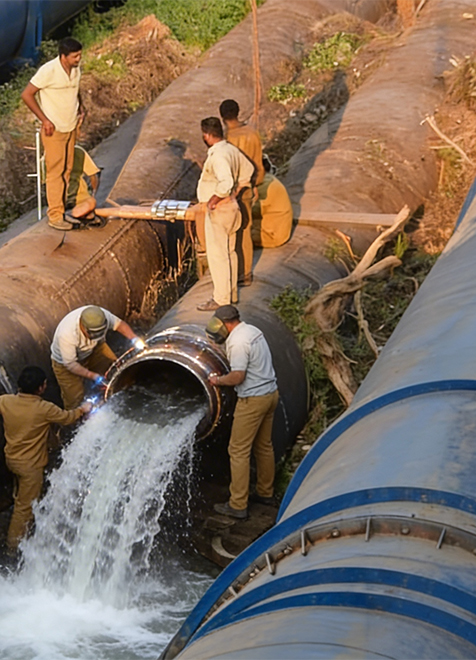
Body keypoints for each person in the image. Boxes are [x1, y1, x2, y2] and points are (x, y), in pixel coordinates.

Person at [0, 365, 89, 550]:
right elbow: (68, 418)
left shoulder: (6, 401)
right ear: (41, 388)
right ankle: (13, 547)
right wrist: (84, 409)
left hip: (12, 460)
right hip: (31, 467)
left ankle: (13, 527)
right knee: (24, 508)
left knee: (20, 495)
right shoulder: (44, 408)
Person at [205, 305, 278, 520]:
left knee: (238, 450)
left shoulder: (237, 342)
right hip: (271, 394)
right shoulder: (253, 331)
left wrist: (217, 380)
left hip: (252, 400)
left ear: (225, 323)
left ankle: (237, 505)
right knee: (264, 446)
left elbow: (238, 377)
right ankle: (266, 493)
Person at [21, 38, 87, 231]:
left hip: (71, 126)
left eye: (79, 55)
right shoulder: (48, 71)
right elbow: (27, 94)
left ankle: (62, 211)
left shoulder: (75, 70)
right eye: (75, 56)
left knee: (67, 170)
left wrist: (81, 107)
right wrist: (45, 120)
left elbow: (76, 90)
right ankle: (55, 216)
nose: (78, 59)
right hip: (54, 130)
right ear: (63, 56)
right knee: (55, 173)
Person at [196, 117, 255, 312]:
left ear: (206, 135)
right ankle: (231, 294)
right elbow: (249, 170)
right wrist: (236, 193)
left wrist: (214, 200)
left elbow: (226, 182)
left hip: (220, 210)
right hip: (232, 207)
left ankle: (221, 299)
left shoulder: (219, 156)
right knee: (230, 252)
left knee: (218, 256)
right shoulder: (230, 149)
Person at [50, 305, 139, 409]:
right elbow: (70, 364)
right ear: (84, 328)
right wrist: (93, 376)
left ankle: (115, 398)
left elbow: (119, 325)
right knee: (75, 401)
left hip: (94, 349)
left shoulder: (101, 316)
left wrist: (134, 339)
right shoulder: (66, 335)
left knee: (116, 371)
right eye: (94, 334)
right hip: (66, 364)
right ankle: (78, 423)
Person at [220, 100, 262, 285]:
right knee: (245, 230)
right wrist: (254, 185)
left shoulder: (226, 139)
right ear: (238, 112)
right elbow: (258, 165)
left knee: (229, 233)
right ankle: (245, 274)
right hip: (247, 189)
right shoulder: (252, 133)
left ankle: (233, 273)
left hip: (229, 193)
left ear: (222, 117)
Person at [66, 144, 104, 226]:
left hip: (63, 202)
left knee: (89, 208)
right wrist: (93, 194)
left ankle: (80, 215)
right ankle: (75, 214)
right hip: (76, 200)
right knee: (91, 204)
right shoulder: (78, 151)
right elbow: (93, 175)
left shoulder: (48, 156)